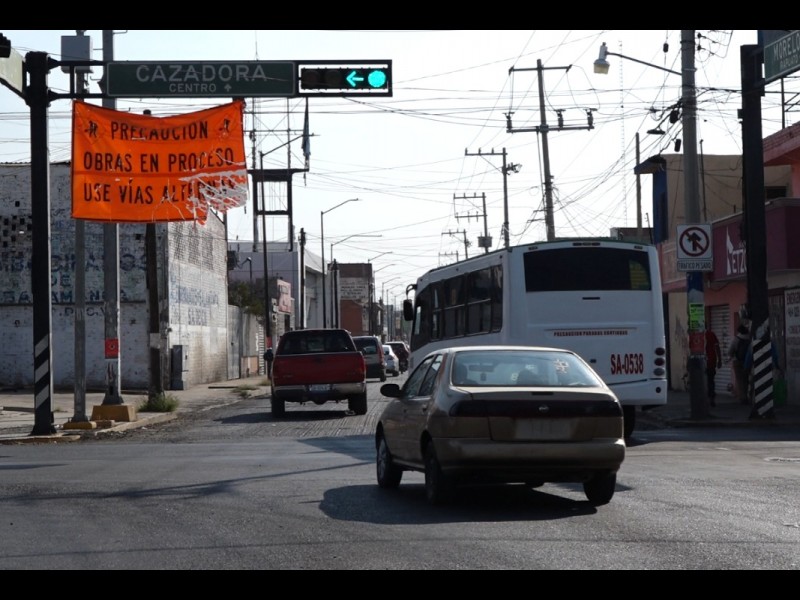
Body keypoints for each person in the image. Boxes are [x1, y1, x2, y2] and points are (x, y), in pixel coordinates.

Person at [728, 325, 751, 405]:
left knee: (740, 380)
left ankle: (743, 398)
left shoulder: (736, 339)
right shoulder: (750, 338)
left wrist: (732, 356)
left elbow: (730, 351)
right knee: (746, 379)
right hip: (747, 362)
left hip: (737, 362)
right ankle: (749, 396)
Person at [705, 329, 722, 406]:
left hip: (701, 362)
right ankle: (711, 399)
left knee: (704, 381)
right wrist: (719, 360)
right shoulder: (711, 334)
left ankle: (706, 399)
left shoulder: (696, 335)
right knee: (710, 381)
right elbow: (717, 347)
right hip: (711, 361)